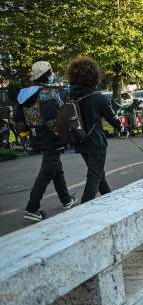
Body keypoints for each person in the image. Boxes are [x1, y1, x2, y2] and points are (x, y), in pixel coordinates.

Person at [16, 61, 76, 221]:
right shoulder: (49, 92)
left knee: (56, 168)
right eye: (51, 71)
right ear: (48, 74)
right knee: (47, 171)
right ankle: (31, 208)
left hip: (36, 136)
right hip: (52, 137)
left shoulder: (23, 94)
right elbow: (54, 119)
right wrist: (65, 137)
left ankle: (66, 200)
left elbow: (19, 120)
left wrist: (26, 134)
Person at [66, 56, 123, 203]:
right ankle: (84, 208)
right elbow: (112, 118)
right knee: (95, 175)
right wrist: (122, 128)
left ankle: (109, 200)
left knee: (97, 173)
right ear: (94, 75)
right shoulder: (99, 98)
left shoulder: (70, 96)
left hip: (80, 141)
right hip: (96, 142)